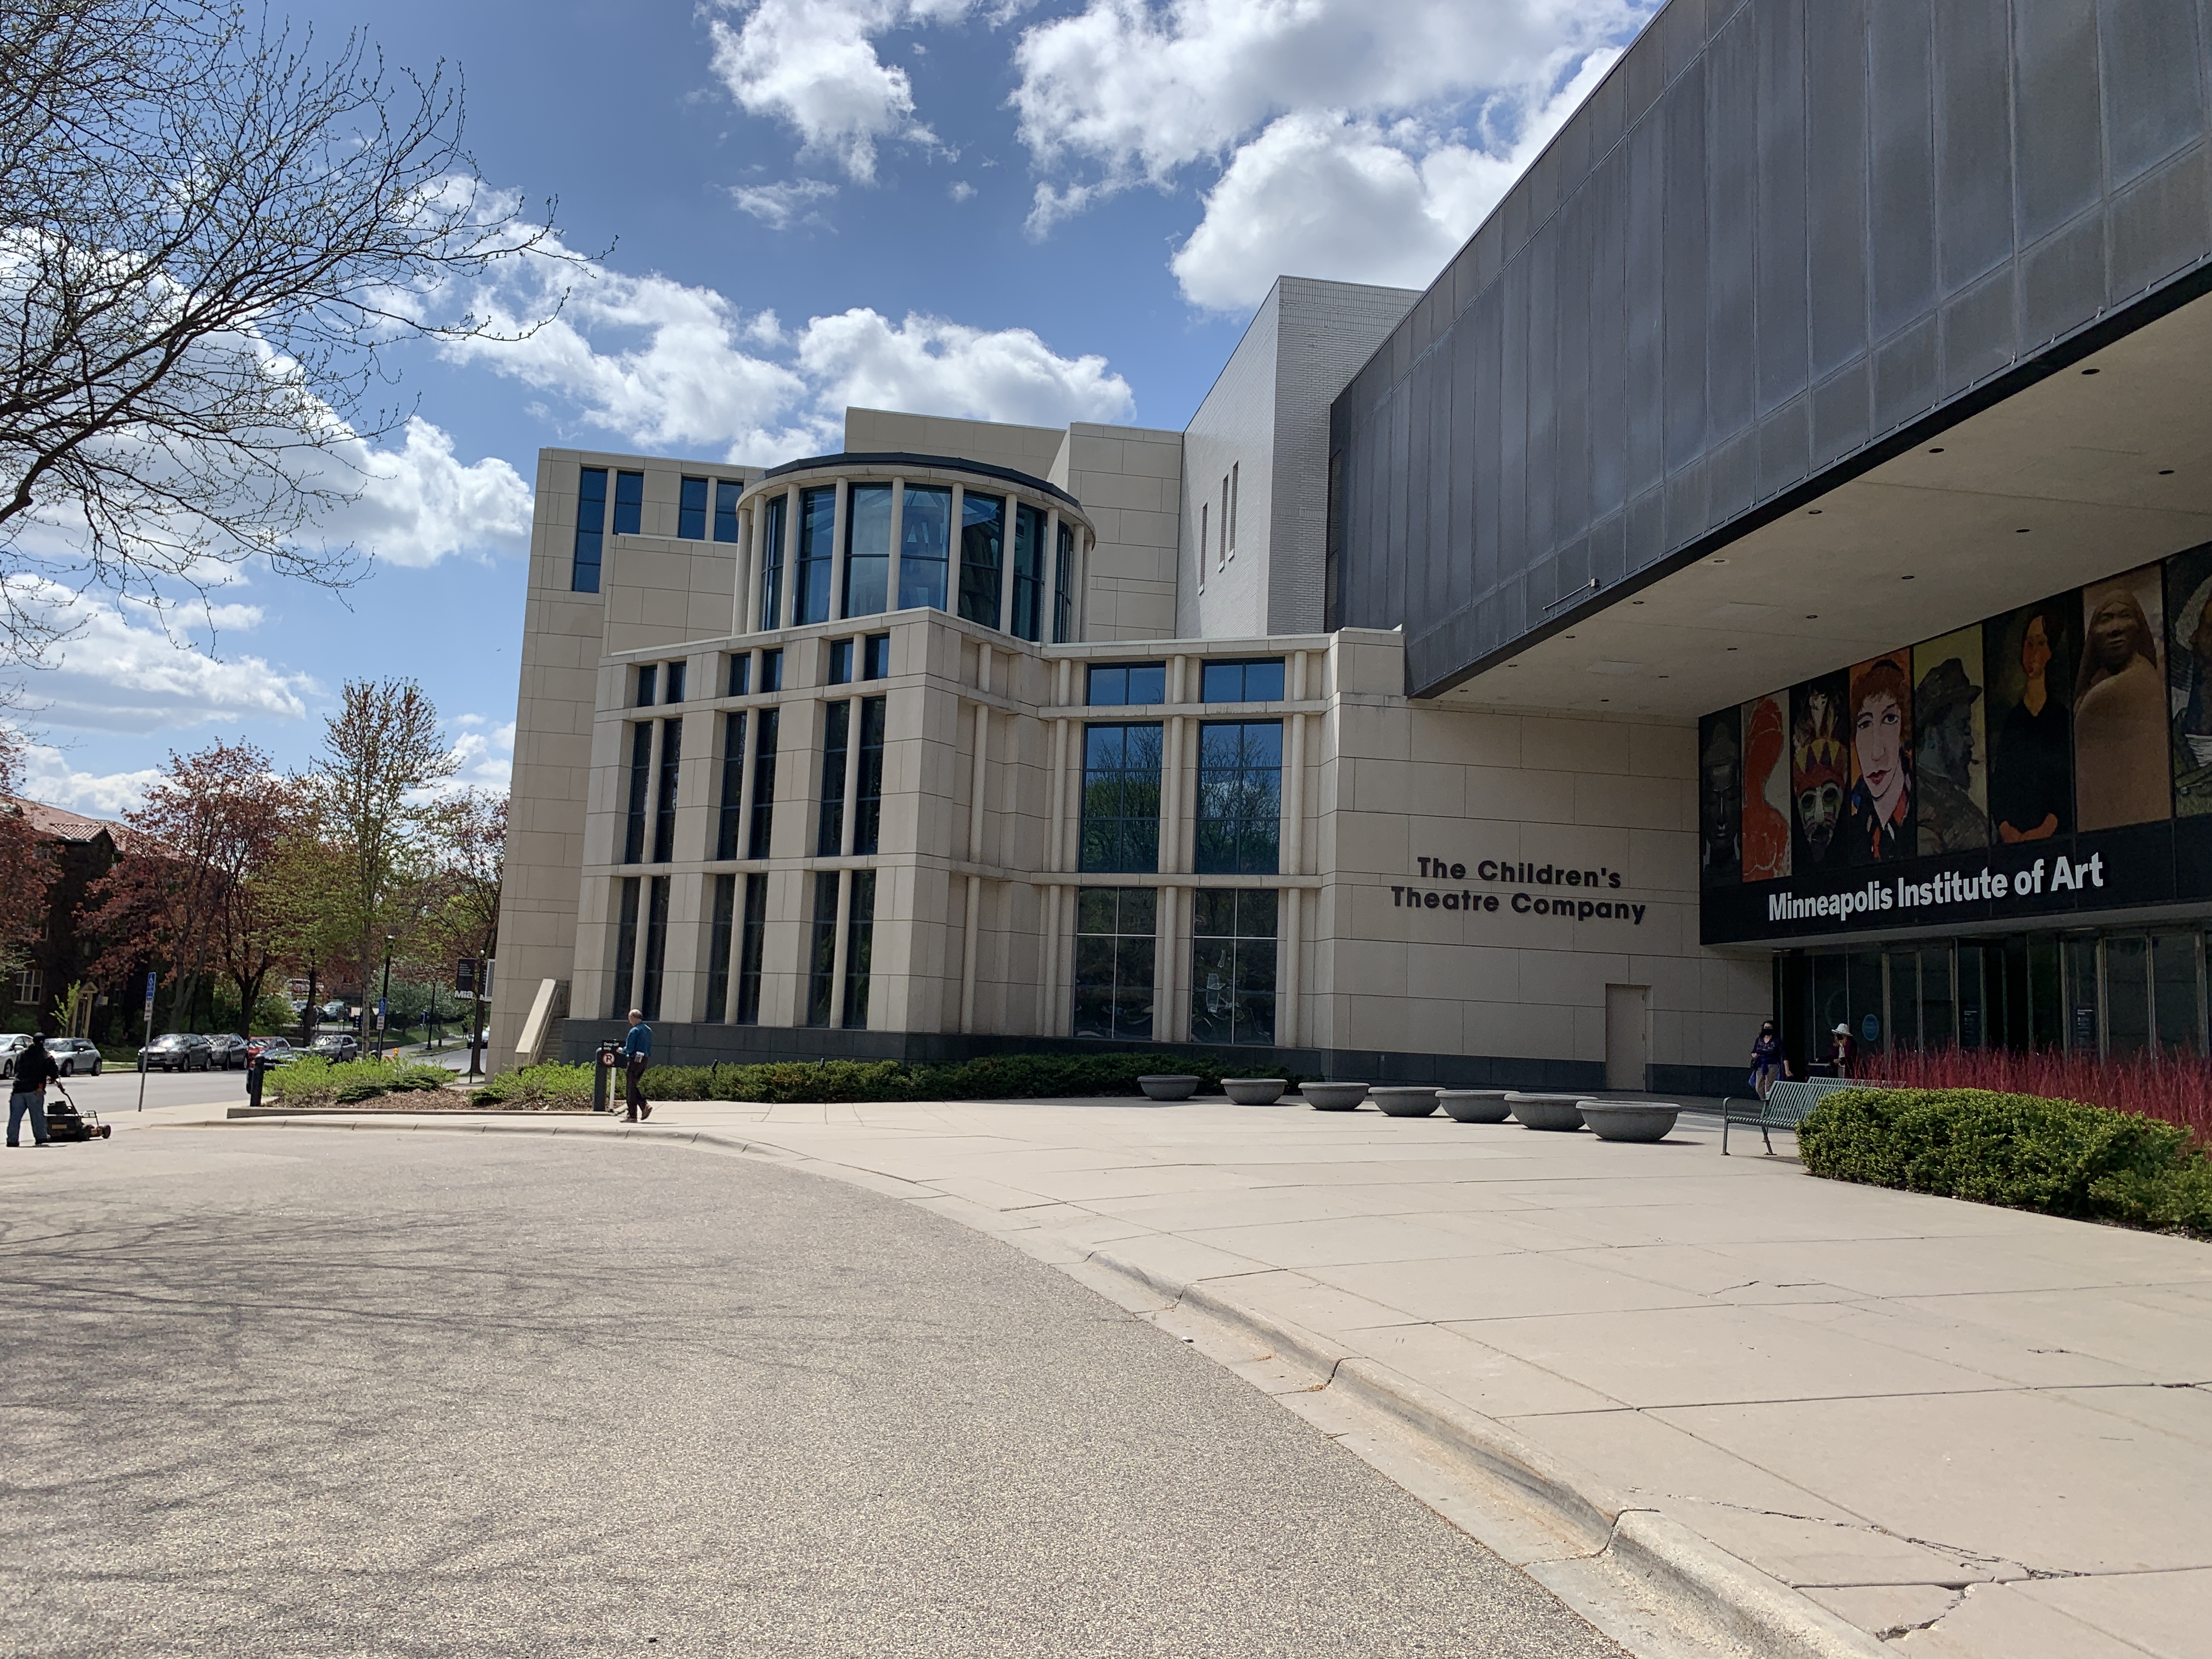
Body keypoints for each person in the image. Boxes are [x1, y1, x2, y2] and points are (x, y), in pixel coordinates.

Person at [2075, 582, 2170, 830]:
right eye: (2106, 619)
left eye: (2125, 616)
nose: (2115, 628)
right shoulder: (2096, 685)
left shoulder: (2133, 684)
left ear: (2139, 627)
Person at [1991, 609, 2072, 842]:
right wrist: (2007, 829)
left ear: (2052, 650)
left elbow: (2065, 784)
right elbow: (2001, 782)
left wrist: (2045, 830)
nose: (2033, 653)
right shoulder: (2012, 719)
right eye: (2029, 643)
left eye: (2041, 643)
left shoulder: (2060, 717)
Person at [1844, 658, 1913, 862]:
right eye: (1864, 724)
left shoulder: (1933, 816)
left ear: (1904, 732)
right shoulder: (1855, 831)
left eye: (1890, 719)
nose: (1876, 752)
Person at [8, 1033, 58, 1147]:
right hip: (36, 1089)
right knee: (37, 1116)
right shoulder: (45, 1055)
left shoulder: (22, 1054)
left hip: (18, 1089)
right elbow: (53, 1070)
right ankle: (41, 1137)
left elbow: (17, 1070)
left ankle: (12, 1140)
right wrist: (53, 1078)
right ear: (43, 1042)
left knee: (15, 1117)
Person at [621, 1008, 652, 1122]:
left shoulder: (634, 1031)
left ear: (634, 1018)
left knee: (630, 1086)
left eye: (630, 1019)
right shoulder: (649, 1030)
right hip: (645, 1059)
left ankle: (632, 1115)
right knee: (633, 1085)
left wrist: (622, 1050)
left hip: (634, 1059)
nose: (630, 1022)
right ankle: (644, 1106)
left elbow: (629, 1048)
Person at [1748, 1021, 1789, 1101]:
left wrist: (1787, 1070)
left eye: (1769, 1028)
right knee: (1759, 1087)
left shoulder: (1777, 1041)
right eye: (1765, 1028)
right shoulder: (1759, 1040)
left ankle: (1769, 1104)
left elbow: (1784, 1055)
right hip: (1760, 1065)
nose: (1767, 1030)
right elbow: (1754, 1051)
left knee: (1769, 1086)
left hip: (1772, 1065)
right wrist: (1754, 1055)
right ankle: (1764, 1101)